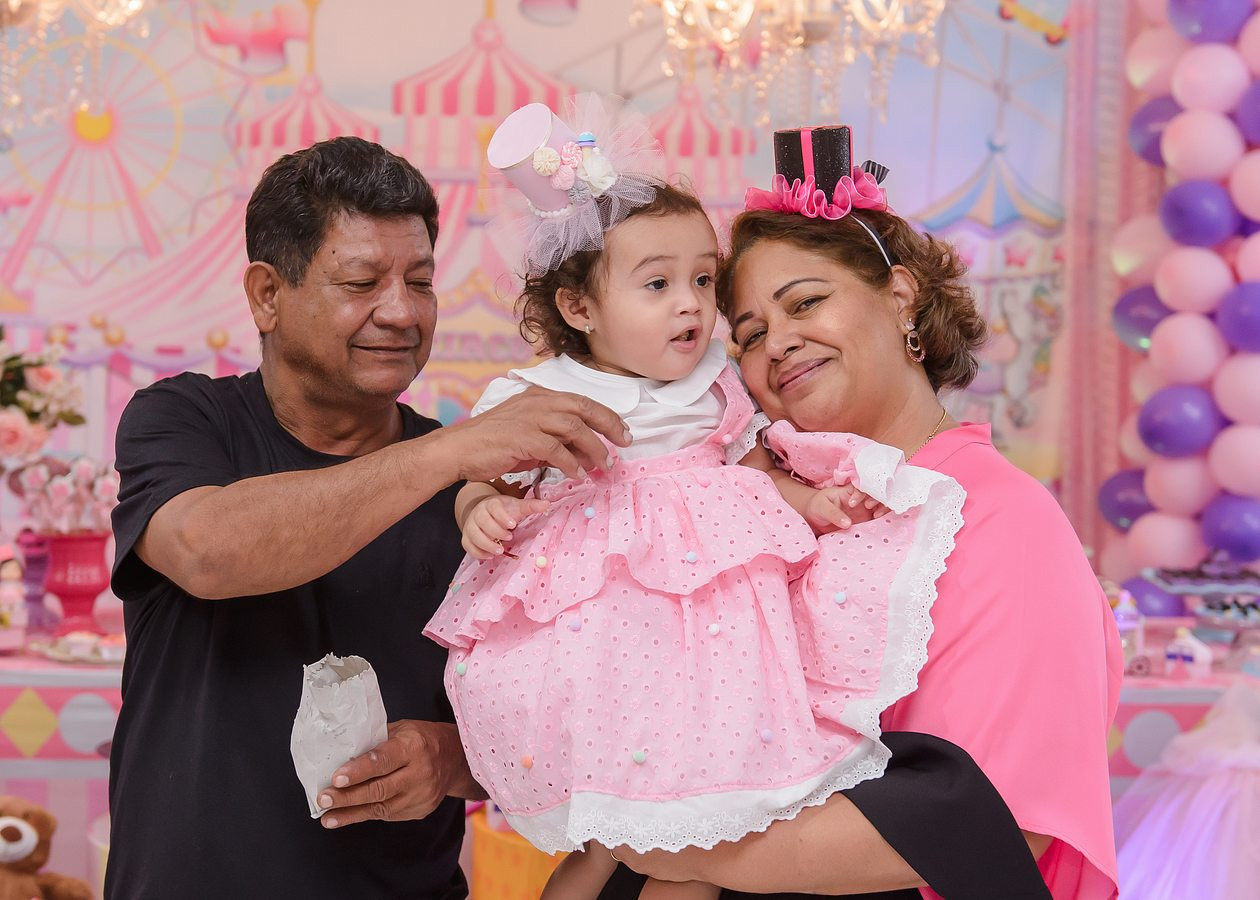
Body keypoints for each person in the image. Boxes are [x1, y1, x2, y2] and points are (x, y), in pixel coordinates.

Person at [424, 102, 972, 900]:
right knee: (606, 839)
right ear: (580, 308)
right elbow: (486, 474)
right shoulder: (538, 393)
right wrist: (479, 509)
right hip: (600, 645)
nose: (690, 304)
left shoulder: (715, 382)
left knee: (705, 832)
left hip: (706, 645)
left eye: (702, 281)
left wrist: (809, 501)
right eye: (657, 284)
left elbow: (751, 468)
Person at [105, 136, 632, 899]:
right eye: (361, 282)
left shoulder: (484, 492)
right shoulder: (186, 420)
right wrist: (446, 453)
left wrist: (451, 761)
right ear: (267, 294)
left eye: (420, 282)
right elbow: (209, 551)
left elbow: (565, 719)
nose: (401, 312)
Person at [607, 126, 1122, 899]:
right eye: (751, 335)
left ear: (900, 295)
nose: (779, 343)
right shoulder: (754, 501)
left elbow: (995, 815)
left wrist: (688, 848)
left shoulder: (1001, 518)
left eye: (806, 302)